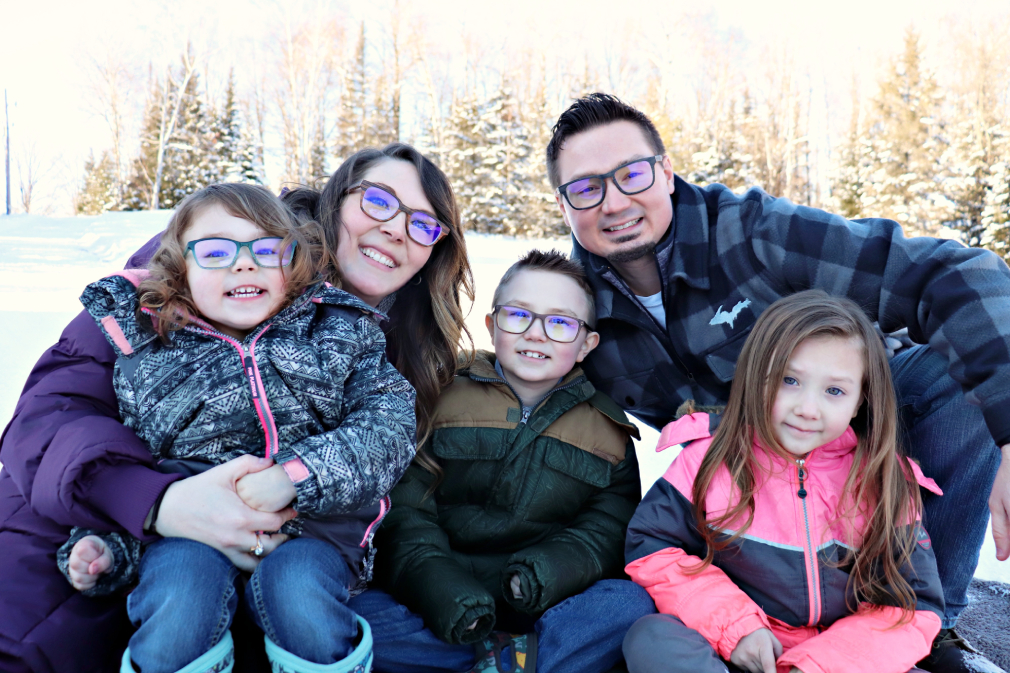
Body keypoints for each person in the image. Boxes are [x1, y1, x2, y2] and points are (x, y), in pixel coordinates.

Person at [546, 92, 1010, 673]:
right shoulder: (577, 308)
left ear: (666, 172)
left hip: (862, 460)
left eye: (631, 174)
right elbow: (529, 377)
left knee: (956, 373)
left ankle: (925, 628)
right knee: (641, 623)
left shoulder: (754, 234)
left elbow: (955, 274)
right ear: (563, 204)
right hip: (746, 491)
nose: (613, 202)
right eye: (585, 188)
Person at [0, 143, 474, 673]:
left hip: (305, 554)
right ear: (337, 199)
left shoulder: (380, 338)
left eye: (424, 225)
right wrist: (155, 505)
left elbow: (384, 435)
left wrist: (301, 480)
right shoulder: (214, 257)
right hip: (145, 541)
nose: (396, 229)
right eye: (380, 202)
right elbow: (53, 418)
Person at [358, 250, 655, 673]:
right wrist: (440, 588)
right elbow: (405, 510)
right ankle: (512, 663)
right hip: (434, 592)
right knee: (361, 614)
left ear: (587, 344)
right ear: (492, 325)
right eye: (519, 316)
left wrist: (543, 574)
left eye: (560, 323)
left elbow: (605, 530)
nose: (536, 334)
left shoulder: (607, 429)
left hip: (540, 600)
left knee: (628, 603)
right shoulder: (440, 394)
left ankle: (497, 661)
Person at [623, 290, 944, 673]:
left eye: (835, 391)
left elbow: (911, 604)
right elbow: (653, 547)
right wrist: (736, 628)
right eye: (789, 380)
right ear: (757, 378)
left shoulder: (885, 478)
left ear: (860, 400)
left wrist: (821, 664)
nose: (807, 409)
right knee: (652, 637)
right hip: (731, 648)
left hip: (839, 660)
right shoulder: (708, 459)